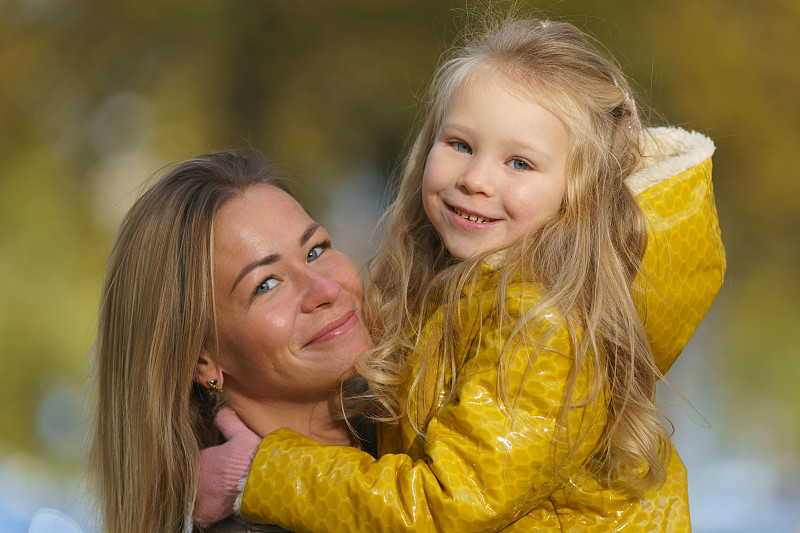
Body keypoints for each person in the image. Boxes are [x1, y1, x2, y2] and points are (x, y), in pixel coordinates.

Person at [199, 16, 725, 531]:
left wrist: (261, 473)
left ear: (580, 193)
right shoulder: (467, 291)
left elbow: (447, 504)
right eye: (460, 145)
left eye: (519, 163)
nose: (475, 179)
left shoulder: (546, 325)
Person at [88, 151, 374, 533]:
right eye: (266, 285)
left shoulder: (430, 435)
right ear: (201, 361)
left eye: (315, 250)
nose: (325, 289)